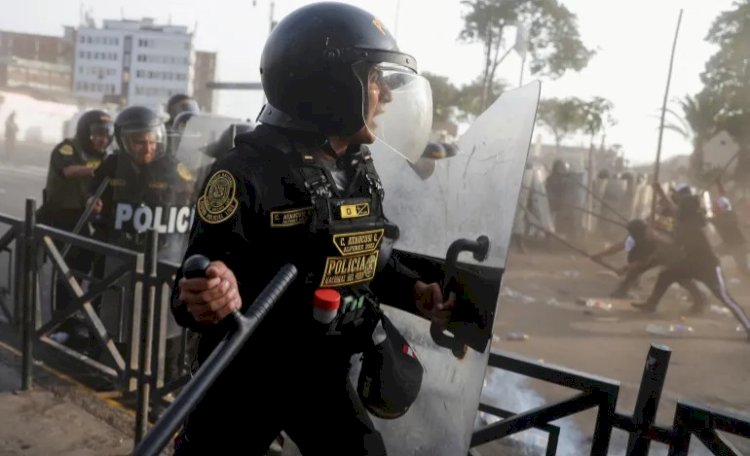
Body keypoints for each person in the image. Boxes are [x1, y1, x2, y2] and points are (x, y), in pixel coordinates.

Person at [170, 3, 454, 454]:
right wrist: (210, 293)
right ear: (332, 88)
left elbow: (361, 254)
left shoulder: (358, 169)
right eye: (375, 80)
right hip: (246, 378)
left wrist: (412, 287)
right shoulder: (245, 173)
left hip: (323, 373)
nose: (388, 96)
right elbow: (191, 291)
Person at [89, 105, 195, 382]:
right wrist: (93, 202)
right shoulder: (111, 166)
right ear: (124, 141)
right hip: (120, 255)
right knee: (114, 314)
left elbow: (191, 204)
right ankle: (113, 370)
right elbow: (95, 193)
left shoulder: (175, 169)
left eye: (152, 140)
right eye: (139, 141)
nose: (147, 148)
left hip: (163, 257)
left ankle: (167, 385)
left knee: (166, 321)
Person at [632, 195, 750, 340]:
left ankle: (748, 327)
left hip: (707, 266)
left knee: (726, 298)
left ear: (685, 209)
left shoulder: (691, 224)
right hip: (691, 263)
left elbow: (674, 242)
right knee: (667, 275)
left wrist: (655, 236)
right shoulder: (689, 220)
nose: (678, 208)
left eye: (681, 206)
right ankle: (652, 304)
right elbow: (674, 216)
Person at [41, 109, 113, 344]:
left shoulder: (104, 158)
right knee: (66, 267)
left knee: (86, 263)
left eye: (106, 135)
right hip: (62, 216)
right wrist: (101, 169)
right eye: (97, 134)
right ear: (85, 132)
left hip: (85, 219)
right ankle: (60, 323)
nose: (102, 139)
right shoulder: (68, 148)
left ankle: (79, 313)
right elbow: (69, 171)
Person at [591, 219, 705, 309]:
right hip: (657, 257)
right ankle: (624, 291)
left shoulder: (656, 239)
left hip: (676, 257)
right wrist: (599, 255)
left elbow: (645, 261)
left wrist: (624, 269)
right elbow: (619, 246)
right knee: (637, 271)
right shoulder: (637, 236)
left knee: (679, 278)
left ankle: (699, 299)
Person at [710, 180, 749, 277]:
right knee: (742, 265)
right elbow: (724, 199)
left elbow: (724, 199)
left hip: (734, 244)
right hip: (736, 243)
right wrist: (719, 186)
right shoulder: (730, 215)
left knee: (742, 266)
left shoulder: (716, 220)